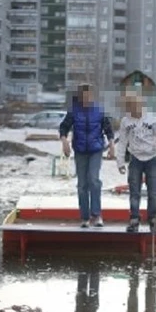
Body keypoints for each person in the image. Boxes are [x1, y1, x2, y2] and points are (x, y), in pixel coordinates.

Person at [115, 91, 156, 233]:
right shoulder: (125, 121)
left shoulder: (152, 119)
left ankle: (153, 219)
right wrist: (120, 163)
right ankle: (134, 219)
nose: (133, 109)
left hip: (151, 160)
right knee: (134, 192)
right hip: (135, 160)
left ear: (141, 104)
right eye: (130, 106)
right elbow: (122, 143)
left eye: (135, 105)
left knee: (153, 192)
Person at [59, 84, 115, 228]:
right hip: (80, 150)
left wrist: (112, 146)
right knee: (82, 184)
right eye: (84, 96)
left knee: (94, 179)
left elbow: (108, 129)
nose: (87, 99)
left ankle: (96, 215)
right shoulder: (74, 111)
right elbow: (64, 127)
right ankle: (85, 217)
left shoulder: (99, 110)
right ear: (80, 97)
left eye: (89, 96)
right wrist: (64, 141)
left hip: (96, 150)